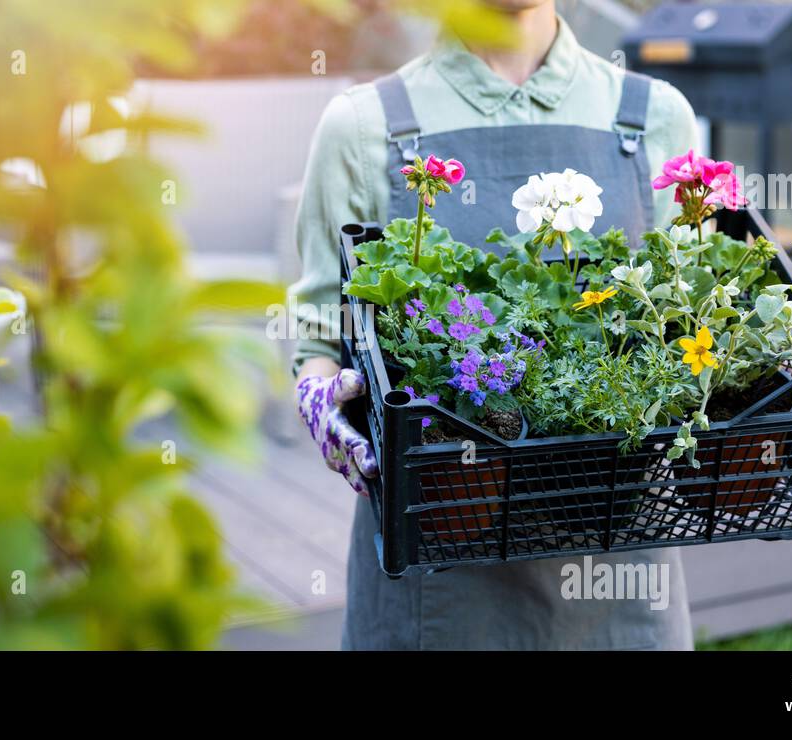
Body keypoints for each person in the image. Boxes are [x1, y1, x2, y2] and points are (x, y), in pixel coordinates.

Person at [289, 0, 700, 650]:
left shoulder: (654, 116)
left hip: (620, 573)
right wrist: (320, 398)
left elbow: (690, 317)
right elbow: (318, 333)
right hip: (438, 574)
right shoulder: (364, 126)